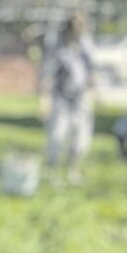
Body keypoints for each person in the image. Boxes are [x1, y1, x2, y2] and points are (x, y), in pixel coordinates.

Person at [42, 11, 96, 183]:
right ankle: (52, 171)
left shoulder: (86, 45)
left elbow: (91, 70)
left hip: (80, 97)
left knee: (80, 137)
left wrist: (94, 91)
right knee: (57, 134)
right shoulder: (59, 46)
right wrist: (44, 99)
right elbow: (48, 73)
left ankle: (72, 170)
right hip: (61, 96)